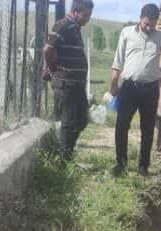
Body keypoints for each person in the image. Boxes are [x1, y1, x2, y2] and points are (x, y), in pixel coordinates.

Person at [110, 3, 161, 177]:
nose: (149, 28)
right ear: (141, 18)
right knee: (121, 127)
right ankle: (121, 164)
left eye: (152, 25)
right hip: (128, 88)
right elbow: (118, 60)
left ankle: (143, 167)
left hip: (150, 89)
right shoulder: (127, 33)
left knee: (147, 130)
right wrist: (114, 83)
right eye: (147, 23)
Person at [42, 0, 94, 161]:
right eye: (85, 15)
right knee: (68, 122)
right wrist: (52, 69)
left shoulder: (75, 28)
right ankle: (64, 160)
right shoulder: (63, 25)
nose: (88, 19)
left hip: (76, 84)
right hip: (66, 83)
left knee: (82, 120)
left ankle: (67, 153)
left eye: (89, 15)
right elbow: (47, 49)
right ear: (76, 11)